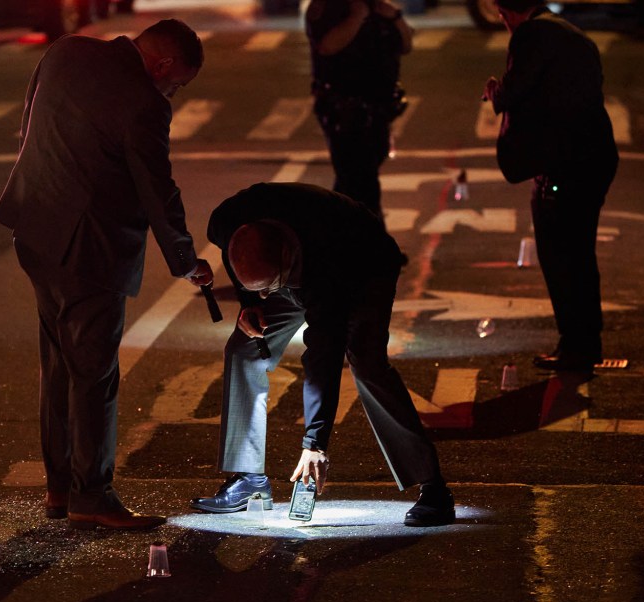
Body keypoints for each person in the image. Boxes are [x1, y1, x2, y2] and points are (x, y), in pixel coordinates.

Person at [0, 19, 214, 530]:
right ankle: (91, 494)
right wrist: (185, 260)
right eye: (177, 83)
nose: (173, 92)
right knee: (93, 374)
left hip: (34, 225)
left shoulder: (66, 52)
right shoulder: (144, 102)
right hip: (90, 249)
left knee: (58, 364)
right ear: (161, 65)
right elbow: (157, 189)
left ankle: (59, 486)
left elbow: (31, 125)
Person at [190, 182, 455, 527]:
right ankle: (249, 481)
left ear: (288, 260)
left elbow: (323, 359)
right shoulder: (226, 222)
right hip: (289, 263)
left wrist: (314, 443)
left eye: (271, 288)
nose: (271, 296)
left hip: (364, 265)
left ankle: (433, 487)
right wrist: (251, 302)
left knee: (367, 362)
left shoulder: (325, 268)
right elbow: (242, 260)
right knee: (244, 349)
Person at [482, 0, 618, 372]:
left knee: (560, 255)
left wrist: (497, 93)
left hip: (565, 164)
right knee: (579, 254)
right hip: (593, 155)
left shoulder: (530, 34)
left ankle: (576, 345)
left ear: (506, 12)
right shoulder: (566, 31)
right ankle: (585, 341)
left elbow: (516, 90)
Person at [305, 0, 412, 222]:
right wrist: (356, 19)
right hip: (345, 112)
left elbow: (406, 45)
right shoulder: (326, 8)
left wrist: (396, 18)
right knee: (362, 180)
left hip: (378, 108)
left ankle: (335, 232)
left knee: (355, 178)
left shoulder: (379, 9)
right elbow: (326, 46)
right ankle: (374, 244)